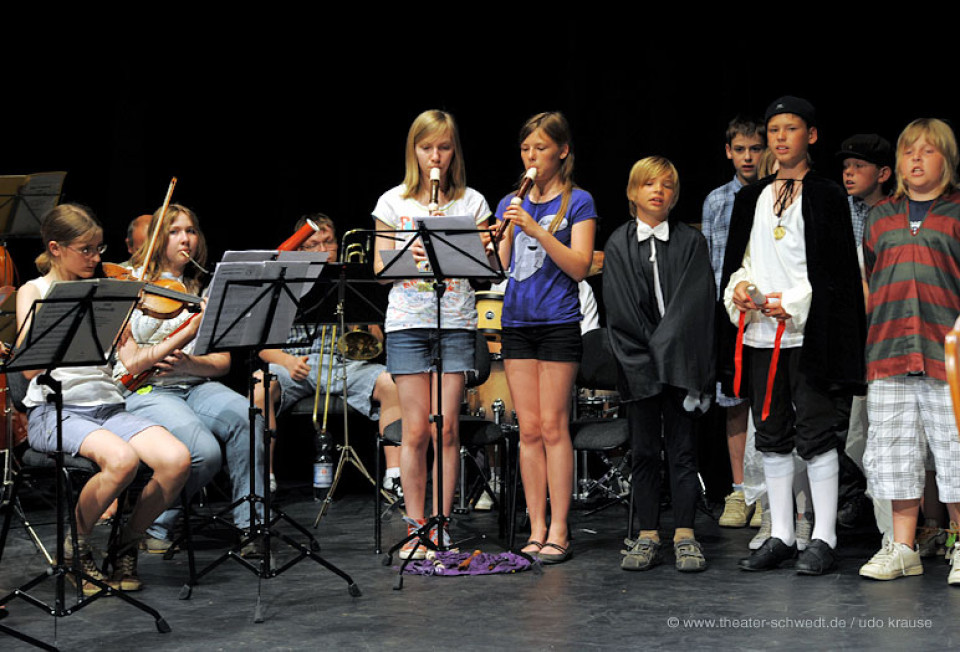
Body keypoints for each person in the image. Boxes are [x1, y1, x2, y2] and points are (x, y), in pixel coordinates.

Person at [721, 96, 865, 575]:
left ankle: (823, 536)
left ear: (812, 136)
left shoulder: (826, 195)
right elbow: (742, 260)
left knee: (816, 433)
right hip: (762, 335)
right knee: (771, 432)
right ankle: (781, 533)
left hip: (809, 335)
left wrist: (797, 301)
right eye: (774, 130)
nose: (780, 138)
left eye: (791, 128)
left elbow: (836, 272)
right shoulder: (752, 198)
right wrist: (741, 287)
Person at [17, 203, 190, 594]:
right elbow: (28, 370)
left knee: (176, 459)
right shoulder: (35, 291)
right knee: (122, 459)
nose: (96, 258)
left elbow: (135, 361)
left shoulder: (108, 292)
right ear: (56, 248)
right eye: (86, 250)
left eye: (99, 248)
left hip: (108, 407)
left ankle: (125, 543)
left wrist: (188, 330)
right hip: (55, 409)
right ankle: (75, 547)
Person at [373, 110, 491, 559]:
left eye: (443, 147)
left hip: (454, 322)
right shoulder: (393, 202)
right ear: (414, 151)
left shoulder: (471, 202)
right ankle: (415, 527)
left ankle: (440, 528)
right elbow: (381, 269)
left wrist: (475, 245)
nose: (435, 156)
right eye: (426, 148)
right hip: (407, 323)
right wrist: (413, 252)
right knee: (416, 431)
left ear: (453, 151)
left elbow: (484, 270)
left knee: (446, 429)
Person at [115, 204, 264, 556]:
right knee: (204, 453)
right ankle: (151, 523)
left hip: (194, 385)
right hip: (147, 389)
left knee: (249, 418)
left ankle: (251, 527)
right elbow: (127, 359)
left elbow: (223, 364)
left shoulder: (204, 289)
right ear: (157, 238)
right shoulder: (130, 282)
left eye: (191, 231)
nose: (185, 239)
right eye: (175, 231)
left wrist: (189, 365)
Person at [858, 118, 960, 586]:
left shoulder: (956, 211)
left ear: (947, 159)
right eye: (908, 151)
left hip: (947, 356)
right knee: (894, 451)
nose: (916, 159)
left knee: (954, 451)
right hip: (889, 353)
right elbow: (870, 279)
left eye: (927, 151)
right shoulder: (880, 217)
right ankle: (903, 548)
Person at [495, 111, 597, 564]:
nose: (531, 156)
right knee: (529, 429)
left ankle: (559, 527)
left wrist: (535, 228)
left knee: (555, 427)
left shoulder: (579, 201)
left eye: (540, 147)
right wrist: (495, 240)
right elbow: (501, 268)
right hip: (516, 323)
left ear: (562, 151)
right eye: (525, 148)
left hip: (557, 322)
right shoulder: (509, 202)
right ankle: (536, 526)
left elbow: (579, 265)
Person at [606, 156, 715, 572]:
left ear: (675, 195)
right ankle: (648, 534)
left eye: (667, 185)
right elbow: (621, 310)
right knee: (645, 452)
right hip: (637, 364)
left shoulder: (691, 242)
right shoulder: (618, 244)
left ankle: (685, 534)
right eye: (649, 184)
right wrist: (648, 357)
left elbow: (693, 306)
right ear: (633, 192)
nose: (658, 191)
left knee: (684, 451)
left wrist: (669, 354)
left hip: (682, 363)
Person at [254, 213, 402, 497]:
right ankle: (264, 478)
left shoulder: (354, 278)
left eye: (329, 242)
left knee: (392, 383)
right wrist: (287, 361)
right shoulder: (283, 283)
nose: (323, 250)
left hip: (345, 364)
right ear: (299, 249)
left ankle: (394, 475)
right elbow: (261, 346)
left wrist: (362, 322)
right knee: (259, 386)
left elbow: (377, 342)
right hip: (296, 363)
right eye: (313, 245)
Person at [702, 116, 765, 529]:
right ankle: (741, 490)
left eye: (755, 149)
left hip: (770, 311)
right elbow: (711, 261)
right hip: (730, 315)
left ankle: (769, 494)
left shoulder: (775, 194)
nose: (747, 157)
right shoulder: (716, 201)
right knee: (734, 403)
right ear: (728, 152)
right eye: (739, 149)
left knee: (771, 402)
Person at [834, 134, 894, 533]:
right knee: (847, 419)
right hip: (848, 329)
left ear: (883, 173)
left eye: (859, 166)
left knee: (882, 419)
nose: (849, 173)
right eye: (845, 167)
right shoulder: (841, 210)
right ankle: (854, 497)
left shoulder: (893, 213)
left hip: (884, 327)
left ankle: (893, 507)